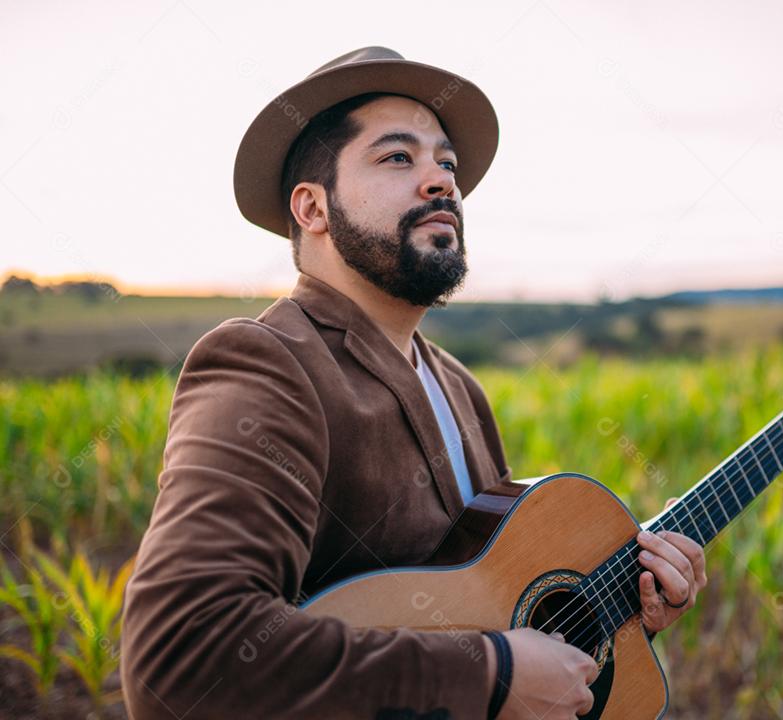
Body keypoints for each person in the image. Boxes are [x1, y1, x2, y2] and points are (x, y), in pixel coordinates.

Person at [119, 46, 707, 720]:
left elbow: (494, 605)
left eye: (447, 163)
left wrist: (618, 616)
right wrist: (488, 675)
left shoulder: (459, 387)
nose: (442, 183)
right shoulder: (268, 363)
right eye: (399, 158)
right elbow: (182, 657)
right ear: (311, 208)